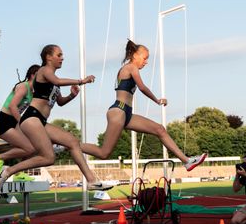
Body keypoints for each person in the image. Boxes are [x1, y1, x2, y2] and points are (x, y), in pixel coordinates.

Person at [80, 40, 207, 171]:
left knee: (160, 130)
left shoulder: (130, 68)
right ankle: (68, 144)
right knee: (103, 153)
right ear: (135, 55)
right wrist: (157, 100)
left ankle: (187, 161)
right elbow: (142, 87)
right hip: (118, 111)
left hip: (126, 113)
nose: (146, 62)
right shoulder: (131, 67)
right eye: (145, 58)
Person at [0, 44, 107, 192]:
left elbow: (59, 102)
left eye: (62, 55)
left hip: (41, 120)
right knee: (48, 157)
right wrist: (81, 81)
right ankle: (8, 171)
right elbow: (58, 82)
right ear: (48, 57)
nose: (62, 58)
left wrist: (72, 96)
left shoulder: (53, 80)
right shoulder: (44, 71)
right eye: (59, 55)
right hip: (31, 118)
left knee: (72, 142)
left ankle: (91, 181)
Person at [0, 65, 40, 180]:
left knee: (36, 145)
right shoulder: (23, 87)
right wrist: (23, 123)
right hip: (4, 122)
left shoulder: (32, 92)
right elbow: (12, 106)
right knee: (29, 148)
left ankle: (18, 174)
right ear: (33, 75)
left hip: (14, 122)